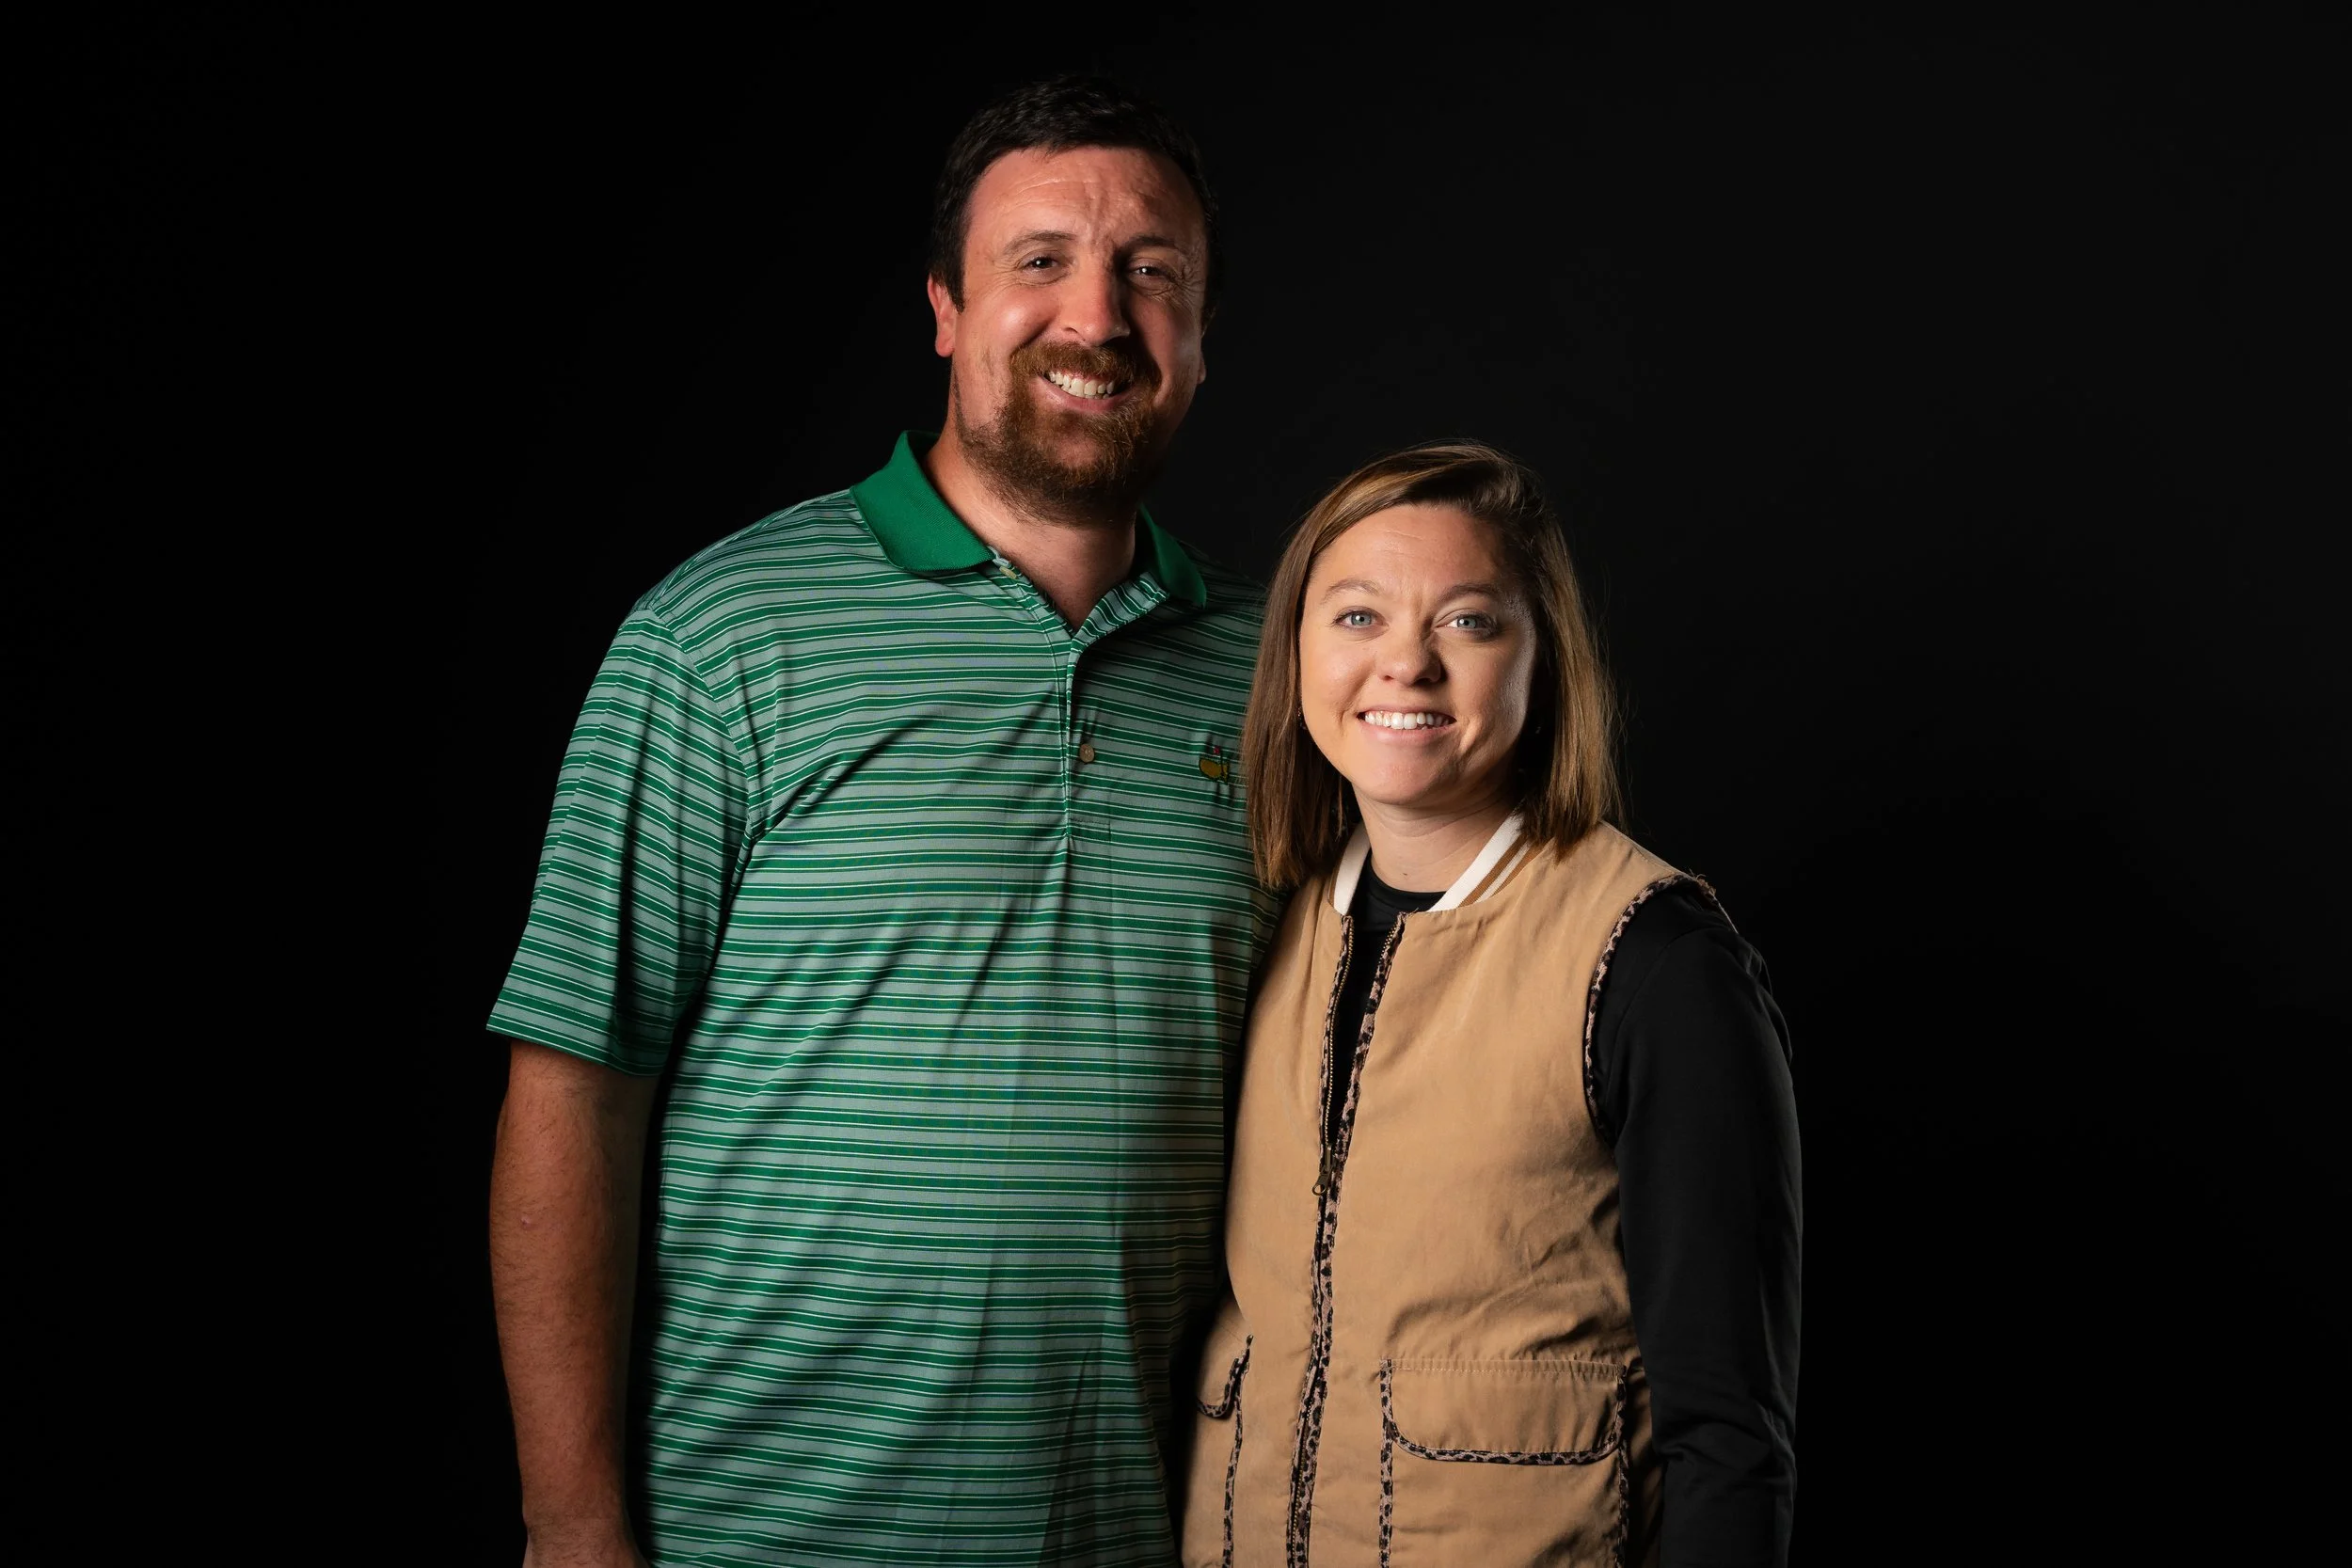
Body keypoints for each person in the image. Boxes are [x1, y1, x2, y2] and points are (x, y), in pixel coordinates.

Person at [486, 78, 1276, 1567]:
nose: (1097, 317)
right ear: (942, 310)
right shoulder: (719, 634)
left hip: (1135, 1534)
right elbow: (572, 1093)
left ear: (1199, 335)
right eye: (1038, 260)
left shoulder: (1280, 673)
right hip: (758, 1529)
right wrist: (572, 1526)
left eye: (1151, 272)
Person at [1177, 443, 1800, 1566]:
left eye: (1466, 621)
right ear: (1295, 651)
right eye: (1356, 616)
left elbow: (1729, 1440)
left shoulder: (1656, 962)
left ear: (1542, 656)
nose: (1404, 664)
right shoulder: (1267, 919)